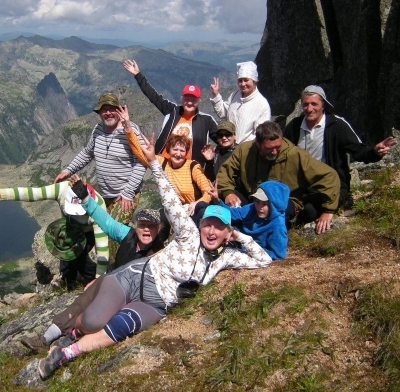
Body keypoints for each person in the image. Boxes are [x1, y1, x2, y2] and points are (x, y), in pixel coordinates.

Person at [36, 133, 272, 379]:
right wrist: (154, 164)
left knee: (121, 327)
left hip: (157, 304)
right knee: (93, 322)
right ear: (200, 225)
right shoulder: (188, 233)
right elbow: (169, 198)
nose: (211, 232)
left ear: (227, 233)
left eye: (219, 227)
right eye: (208, 225)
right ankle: (73, 332)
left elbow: (263, 260)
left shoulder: (226, 257)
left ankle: (64, 353)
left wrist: (241, 238)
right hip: (135, 278)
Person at [20, 176, 166, 353]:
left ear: (158, 230)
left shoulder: (160, 253)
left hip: (129, 295)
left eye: (152, 226)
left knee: (100, 315)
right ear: (136, 226)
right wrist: (85, 199)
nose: (146, 230)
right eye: (143, 225)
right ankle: (44, 340)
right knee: (81, 302)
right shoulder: (127, 235)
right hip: (110, 279)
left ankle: (68, 341)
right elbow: (105, 221)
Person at [216, 120, 340, 235]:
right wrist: (228, 193)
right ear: (258, 144)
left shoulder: (295, 155)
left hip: (285, 201)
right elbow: (225, 172)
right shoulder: (244, 150)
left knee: (272, 212)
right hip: (253, 197)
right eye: (269, 148)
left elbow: (329, 176)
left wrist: (328, 210)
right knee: (225, 206)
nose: (274, 152)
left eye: (278, 147)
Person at [283, 85, 397, 209]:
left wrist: (374, 152)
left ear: (323, 105)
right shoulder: (294, 126)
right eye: (306, 104)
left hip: (331, 185)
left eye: (314, 104)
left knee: (310, 210)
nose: (309, 109)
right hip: (301, 185)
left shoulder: (337, 126)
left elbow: (357, 150)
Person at [0, 180, 109, 289]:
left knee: (80, 259)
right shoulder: (62, 189)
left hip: (88, 232)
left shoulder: (99, 210)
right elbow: (34, 193)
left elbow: (102, 250)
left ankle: (90, 280)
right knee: (65, 254)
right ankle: (68, 281)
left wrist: (99, 279)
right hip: (68, 229)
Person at [54, 93, 146, 228]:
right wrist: (68, 171)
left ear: (119, 110)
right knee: (97, 229)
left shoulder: (130, 130)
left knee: (113, 232)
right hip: (104, 195)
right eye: (104, 109)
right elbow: (87, 153)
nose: (108, 113)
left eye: (111, 108)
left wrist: (128, 192)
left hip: (124, 195)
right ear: (99, 112)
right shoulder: (98, 129)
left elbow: (142, 162)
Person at [118, 105, 211, 218]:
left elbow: (208, 192)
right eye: (175, 149)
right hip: (173, 211)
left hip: (193, 211)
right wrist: (127, 127)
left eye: (182, 150)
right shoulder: (162, 163)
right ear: (168, 150)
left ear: (186, 152)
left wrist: (197, 204)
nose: (178, 153)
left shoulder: (193, 167)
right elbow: (140, 153)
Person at [123, 59, 218, 166]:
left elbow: (223, 139)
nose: (190, 102)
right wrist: (138, 75)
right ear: (182, 99)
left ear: (199, 101)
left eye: (193, 99)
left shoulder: (206, 120)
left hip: (190, 172)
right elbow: (153, 96)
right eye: (187, 98)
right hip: (164, 166)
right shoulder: (173, 111)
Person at [208, 180, 290, 260]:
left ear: (275, 205)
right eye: (257, 202)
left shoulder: (278, 225)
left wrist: (250, 252)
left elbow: (278, 254)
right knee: (203, 208)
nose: (259, 207)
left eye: (265, 204)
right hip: (239, 240)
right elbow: (234, 214)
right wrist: (217, 200)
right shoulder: (253, 207)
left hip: (253, 250)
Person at [210, 61, 271, 145]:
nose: (243, 84)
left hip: (247, 150)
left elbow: (262, 134)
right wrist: (216, 95)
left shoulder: (262, 104)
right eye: (240, 80)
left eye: (246, 80)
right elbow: (223, 114)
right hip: (229, 147)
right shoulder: (235, 95)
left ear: (254, 81)